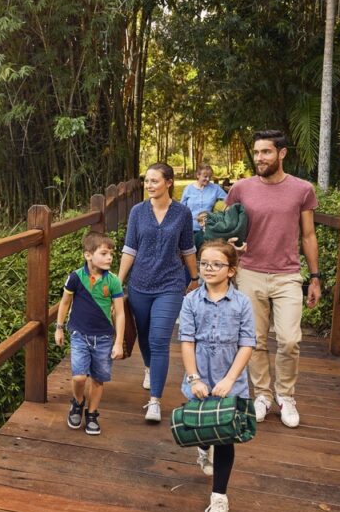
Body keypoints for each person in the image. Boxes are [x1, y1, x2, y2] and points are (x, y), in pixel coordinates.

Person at [225, 130, 321, 428]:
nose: (259, 158)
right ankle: (263, 395)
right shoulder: (241, 189)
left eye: (265, 152)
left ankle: (286, 395)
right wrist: (232, 249)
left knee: (290, 340)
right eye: (256, 153)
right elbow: (228, 230)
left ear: (282, 154)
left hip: (288, 275)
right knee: (254, 340)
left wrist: (315, 277)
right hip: (250, 272)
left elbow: (308, 235)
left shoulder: (302, 189)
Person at [178, 239, 255, 512]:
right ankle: (202, 447)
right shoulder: (191, 301)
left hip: (229, 377)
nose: (208, 268)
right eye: (204, 263)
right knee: (204, 426)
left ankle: (219, 498)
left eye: (216, 264)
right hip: (200, 373)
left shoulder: (242, 303)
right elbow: (186, 341)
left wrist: (230, 379)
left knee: (225, 435)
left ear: (231, 270)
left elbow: (247, 343)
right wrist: (193, 376)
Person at [118, 163, 199, 423]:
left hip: (171, 285)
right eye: (147, 181)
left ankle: (154, 401)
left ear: (169, 183)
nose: (149, 185)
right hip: (140, 284)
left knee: (159, 339)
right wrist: (117, 282)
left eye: (154, 181)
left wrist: (195, 278)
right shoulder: (137, 212)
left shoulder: (182, 213)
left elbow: (188, 248)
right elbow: (130, 248)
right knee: (143, 334)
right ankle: (149, 368)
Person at [54, 231, 126, 436]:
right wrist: (59, 328)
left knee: (98, 378)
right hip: (79, 334)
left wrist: (118, 342)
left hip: (104, 337)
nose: (110, 257)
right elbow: (65, 303)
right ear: (88, 255)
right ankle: (78, 402)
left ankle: (92, 413)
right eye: (104, 253)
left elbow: (120, 314)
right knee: (78, 377)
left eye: (111, 254)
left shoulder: (112, 281)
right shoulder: (76, 277)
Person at [180, 164, 228, 234]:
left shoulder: (215, 188)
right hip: (189, 228)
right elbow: (181, 209)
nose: (208, 179)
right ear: (198, 175)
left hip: (208, 228)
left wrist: (219, 214)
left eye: (210, 177)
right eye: (205, 176)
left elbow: (229, 200)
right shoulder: (188, 189)